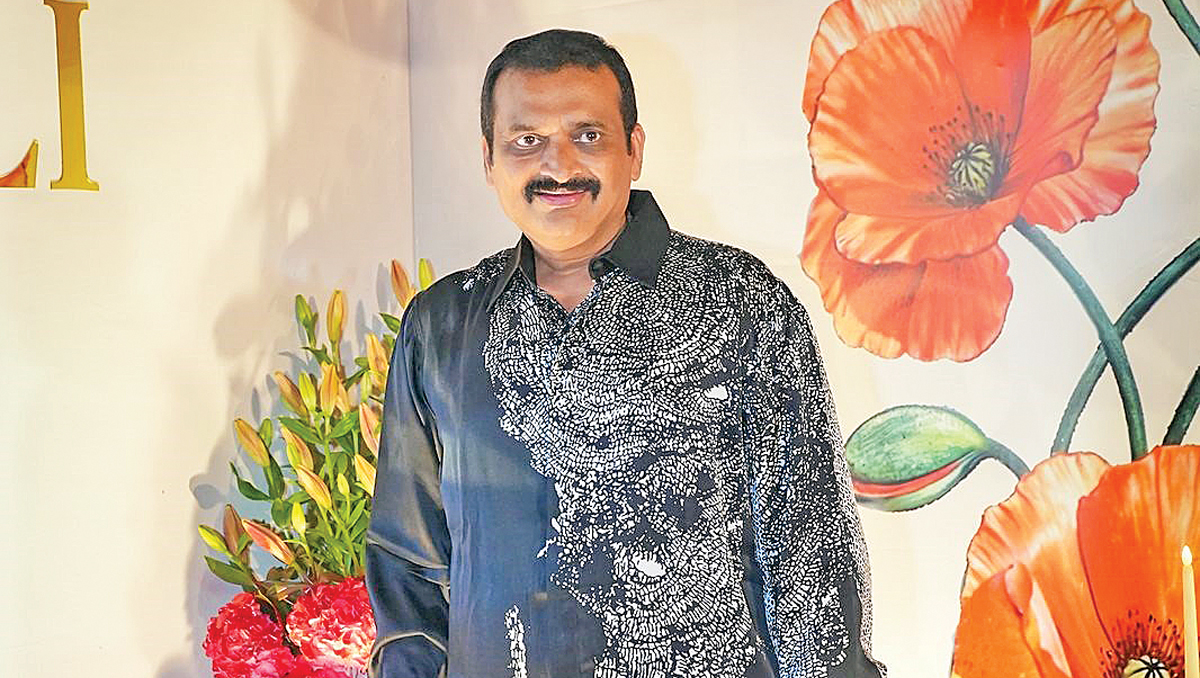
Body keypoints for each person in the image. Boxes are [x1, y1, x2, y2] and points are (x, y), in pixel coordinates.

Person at [365, 28, 884, 678]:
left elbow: (811, 551)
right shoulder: (441, 327)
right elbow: (408, 564)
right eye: (526, 140)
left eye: (587, 135)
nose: (558, 166)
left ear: (634, 149)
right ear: (489, 160)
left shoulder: (739, 302)